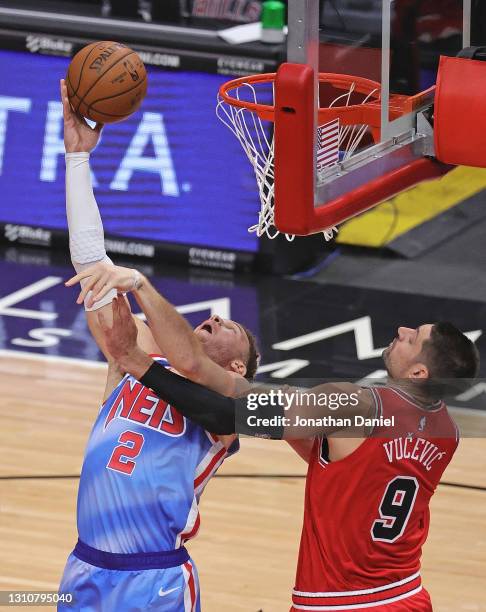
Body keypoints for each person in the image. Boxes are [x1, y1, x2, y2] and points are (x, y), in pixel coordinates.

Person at [66, 268, 479, 610]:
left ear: (420, 373)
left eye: (414, 337)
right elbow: (353, 464)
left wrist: (140, 362)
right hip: (407, 593)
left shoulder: (353, 405)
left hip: (343, 600)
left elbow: (229, 410)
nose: (403, 329)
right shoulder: (448, 433)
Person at [57, 79, 259, 612]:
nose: (215, 318)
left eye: (229, 327)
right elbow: (92, 264)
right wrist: (77, 159)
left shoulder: (229, 401)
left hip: (154, 580)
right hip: (84, 567)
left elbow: (198, 378)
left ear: (237, 364)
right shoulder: (135, 354)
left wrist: (142, 297)